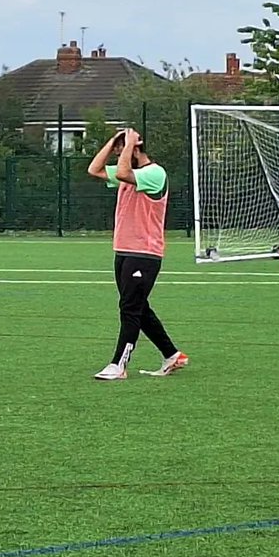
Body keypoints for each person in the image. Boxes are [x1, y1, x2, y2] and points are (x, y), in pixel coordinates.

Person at [87, 128, 188, 381]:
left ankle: (118, 365)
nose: (119, 154)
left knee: (130, 308)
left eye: (124, 150)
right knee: (137, 307)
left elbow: (122, 172)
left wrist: (129, 143)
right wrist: (112, 143)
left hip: (144, 253)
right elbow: (94, 170)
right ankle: (172, 354)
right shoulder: (128, 173)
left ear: (137, 148)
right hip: (124, 250)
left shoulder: (155, 173)